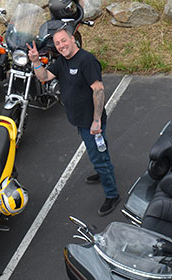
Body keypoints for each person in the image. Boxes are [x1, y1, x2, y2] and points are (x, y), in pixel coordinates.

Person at [26, 26, 120, 216]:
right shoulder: (62, 62)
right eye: (58, 43)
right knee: (99, 152)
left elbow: (99, 89)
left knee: (97, 156)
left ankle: (112, 194)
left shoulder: (87, 61)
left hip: (90, 122)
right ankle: (104, 173)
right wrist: (36, 61)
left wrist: (96, 122)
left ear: (73, 39)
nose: (61, 45)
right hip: (80, 120)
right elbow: (44, 77)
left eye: (64, 40)